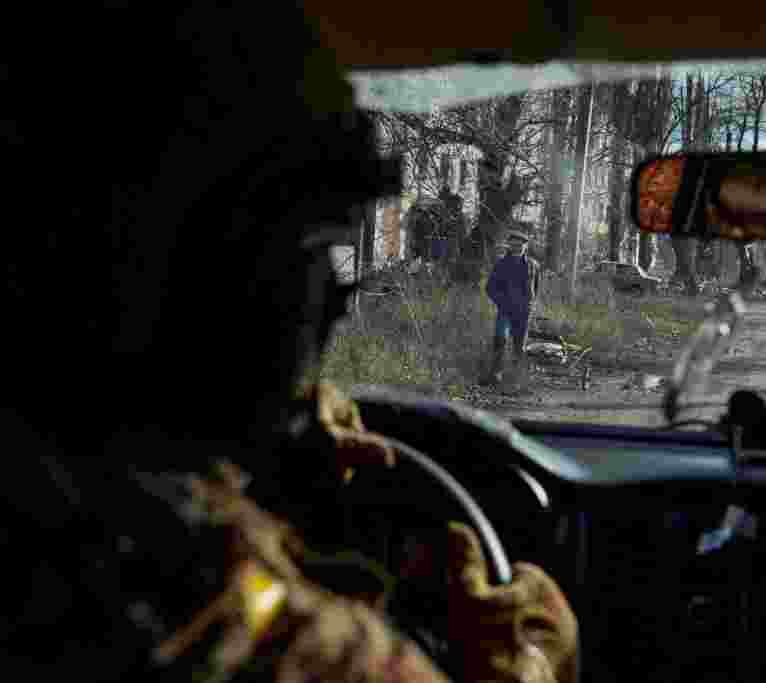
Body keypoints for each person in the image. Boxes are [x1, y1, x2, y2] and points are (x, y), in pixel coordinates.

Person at [3, 4, 578, 682]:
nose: (333, 304)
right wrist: (527, 664)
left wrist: (259, 453)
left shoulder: (59, 476)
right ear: (185, 265)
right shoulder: (185, 593)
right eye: (313, 252)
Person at [483, 230, 542, 384]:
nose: (517, 247)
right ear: (509, 245)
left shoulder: (533, 265)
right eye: (514, 244)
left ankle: (516, 377)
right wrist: (502, 302)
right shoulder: (501, 264)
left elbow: (535, 288)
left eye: (521, 244)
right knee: (500, 340)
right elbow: (490, 288)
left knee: (519, 345)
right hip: (505, 311)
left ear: (526, 246)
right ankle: (496, 374)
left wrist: (530, 302)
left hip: (523, 312)